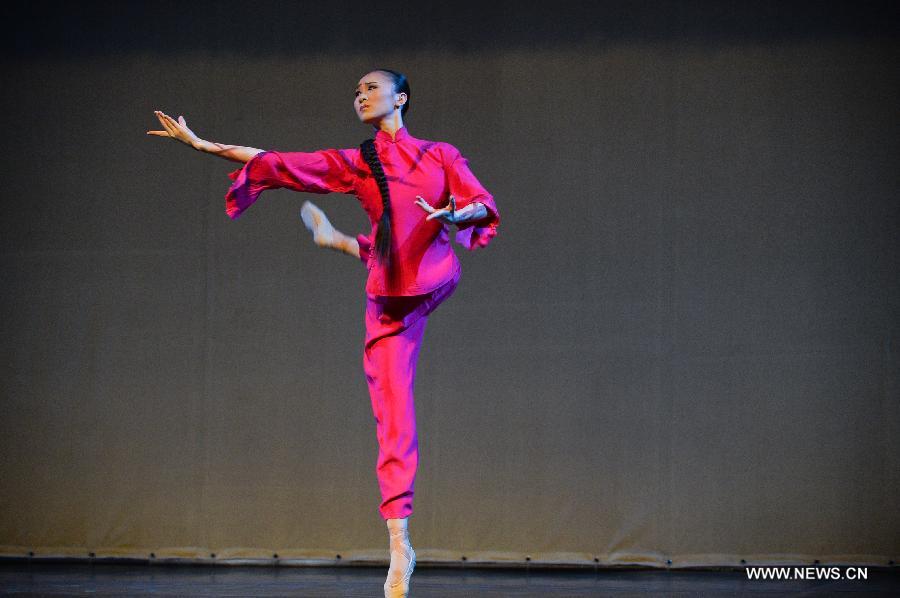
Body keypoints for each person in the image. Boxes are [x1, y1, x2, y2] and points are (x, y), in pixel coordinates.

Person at [147, 68, 499, 597]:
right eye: (356, 91)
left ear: (400, 97)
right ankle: (400, 543)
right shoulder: (359, 162)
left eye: (371, 88)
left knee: (413, 248)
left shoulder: (439, 155)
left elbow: (482, 203)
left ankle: (342, 243)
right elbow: (277, 162)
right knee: (393, 413)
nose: (360, 95)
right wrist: (202, 144)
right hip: (388, 303)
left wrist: (456, 212)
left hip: (433, 275)